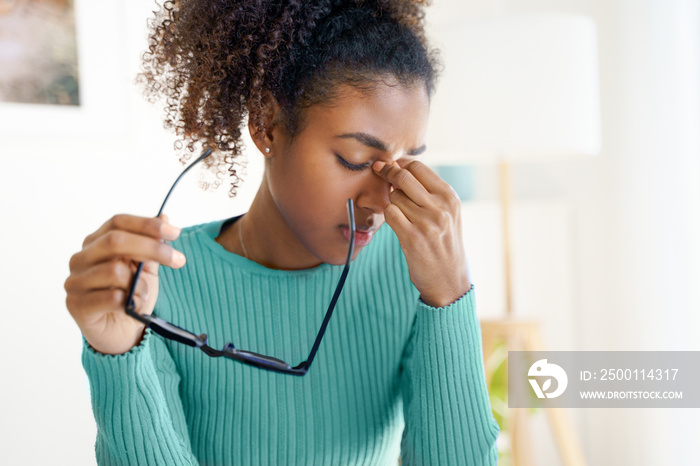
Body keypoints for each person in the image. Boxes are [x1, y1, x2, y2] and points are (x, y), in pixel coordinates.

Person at [64, 0, 500, 464]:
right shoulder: (158, 281)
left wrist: (449, 294)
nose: (381, 198)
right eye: (354, 160)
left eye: (405, 163)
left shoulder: (412, 270)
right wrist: (118, 354)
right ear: (267, 124)